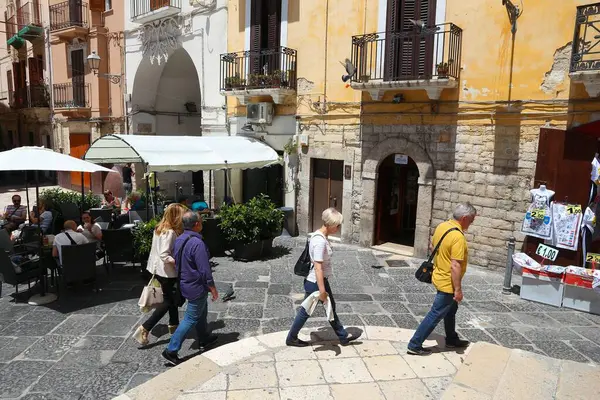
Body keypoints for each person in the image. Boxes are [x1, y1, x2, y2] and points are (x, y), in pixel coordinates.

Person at [407, 202, 477, 356]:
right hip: (448, 283)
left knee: (451, 310)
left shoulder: (443, 226)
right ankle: (414, 344)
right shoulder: (458, 236)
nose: (471, 224)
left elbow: (433, 247)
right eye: (471, 221)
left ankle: (452, 339)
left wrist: (441, 260)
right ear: (464, 218)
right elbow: (455, 265)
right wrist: (458, 290)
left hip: (438, 275)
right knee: (436, 313)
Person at [286, 208, 360, 347]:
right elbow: (318, 267)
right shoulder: (319, 241)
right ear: (331, 225)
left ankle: (342, 337)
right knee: (306, 311)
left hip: (317, 281)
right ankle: (291, 338)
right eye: (337, 225)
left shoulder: (318, 236)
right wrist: (322, 291)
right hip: (315, 282)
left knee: (329, 308)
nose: (338, 228)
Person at [162, 211, 218, 365]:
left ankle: (204, 338)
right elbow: (204, 269)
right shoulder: (198, 244)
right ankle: (171, 350)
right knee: (190, 318)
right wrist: (212, 287)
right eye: (200, 221)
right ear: (196, 225)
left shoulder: (179, 239)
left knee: (202, 310)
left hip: (185, 283)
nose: (201, 223)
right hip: (196, 286)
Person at [132, 204, 186, 346]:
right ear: (176, 216)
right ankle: (145, 328)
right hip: (167, 272)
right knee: (168, 301)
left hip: (158, 270)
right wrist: (178, 262)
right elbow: (164, 254)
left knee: (171, 298)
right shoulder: (170, 232)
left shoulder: (160, 228)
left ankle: (174, 325)